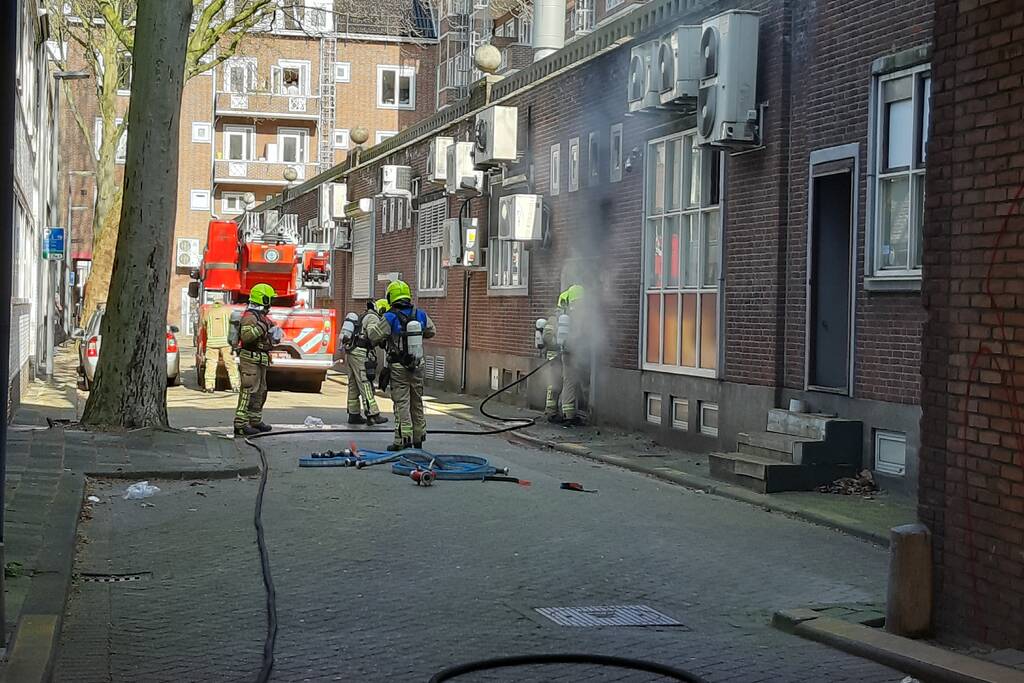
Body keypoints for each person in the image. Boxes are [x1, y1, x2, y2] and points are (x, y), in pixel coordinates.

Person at [367, 280, 436, 451]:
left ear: (391, 297)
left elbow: (374, 336)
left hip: (398, 367)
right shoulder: (419, 314)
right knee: (417, 401)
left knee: (401, 403)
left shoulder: (390, 316)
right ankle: (419, 437)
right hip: (418, 364)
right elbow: (431, 331)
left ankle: (402, 439)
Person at [234, 283, 280, 437]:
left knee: (260, 391)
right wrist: (262, 326)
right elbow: (246, 337)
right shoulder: (249, 317)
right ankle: (240, 424)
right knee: (248, 391)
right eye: (270, 299)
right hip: (250, 360)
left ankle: (255, 420)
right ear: (263, 299)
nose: (271, 303)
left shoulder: (261, 317)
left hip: (261, 359)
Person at [343, 299, 389, 425]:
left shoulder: (364, 314)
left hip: (351, 351)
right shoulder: (373, 318)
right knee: (365, 383)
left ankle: (354, 414)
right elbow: (373, 335)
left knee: (353, 383)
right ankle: (372, 414)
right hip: (361, 353)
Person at [546, 284, 585, 426]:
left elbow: (547, 337)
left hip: (553, 356)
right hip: (566, 355)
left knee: (554, 383)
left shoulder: (555, 317)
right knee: (569, 382)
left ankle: (551, 412)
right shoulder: (571, 319)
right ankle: (569, 415)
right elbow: (577, 336)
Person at [201, 293, 240, 394]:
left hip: (212, 343)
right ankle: (235, 385)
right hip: (226, 343)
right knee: (230, 364)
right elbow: (233, 326)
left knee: (211, 364)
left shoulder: (208, 311)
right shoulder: (228, 310)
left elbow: (204, 325)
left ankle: (209, 386)